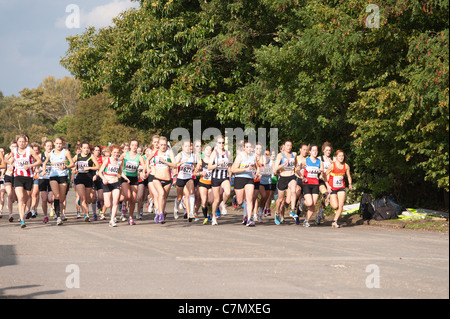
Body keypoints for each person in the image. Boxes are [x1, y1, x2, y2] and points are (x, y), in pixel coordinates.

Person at [11, 135, 42, 228]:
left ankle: (23, 214)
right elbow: (9, 160)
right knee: (20, 198)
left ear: (26, 142)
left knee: (25, 199)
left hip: (28, 177)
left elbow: (39, 161)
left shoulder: (30, 150)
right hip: (18, 176)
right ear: (17, 142)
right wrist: (10, 164)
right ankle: (22, 220)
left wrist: (30, 165)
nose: (21, 143)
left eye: (23, 141)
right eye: (19, 141)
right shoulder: (14, 151)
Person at [42, 136, 75, 226]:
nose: (58, 145)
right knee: (56, 195)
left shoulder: (66, 152)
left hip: (63, 176)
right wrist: (44, 170)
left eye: (60, 143)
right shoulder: (50, 153)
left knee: (61, 198)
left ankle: (59, 212)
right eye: (57, 143)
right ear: (54, 144)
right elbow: (44, 163)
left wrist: (65, 167)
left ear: (63, 144)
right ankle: (58, 217)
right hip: (53, 176)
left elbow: (72, 163)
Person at [231, 140, 259, 227]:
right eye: (247, 147)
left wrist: (257, 173)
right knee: (240, 201)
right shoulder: (240, 156)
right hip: (239, 178)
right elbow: (233, 169)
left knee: (249, 199)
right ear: (244, 148)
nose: (249, 148)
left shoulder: (253, 156)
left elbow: (256, 166)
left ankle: (249, 219)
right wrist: (245, 169)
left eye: (250, 147)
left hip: (249, 179)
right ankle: (235, 197)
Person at [98, 144, 126, 227]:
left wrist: (126, 178)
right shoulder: (107, 160)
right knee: (108, 204)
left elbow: (120, 172)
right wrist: (103, 178)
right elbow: (100, 172)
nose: (116, 154)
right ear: (111, 152)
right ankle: (109, 213)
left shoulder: (119, 161)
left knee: (115, 202)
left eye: (117, 152)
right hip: (107, 183)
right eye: (114, 152)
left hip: (116, 182)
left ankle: (112, 219)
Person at [119, 139, 146, 225]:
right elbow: (117, 161)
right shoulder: (125, 154)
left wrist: (142, 172)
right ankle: (124, 204)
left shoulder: (139, 157)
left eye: (136, 145)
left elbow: (144, 166)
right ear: (130, 146)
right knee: (128, 195)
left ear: (137, 147)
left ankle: (130, 217)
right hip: (125, 177)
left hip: (134, 178)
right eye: (132, 145)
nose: (134, 147)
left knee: (134, 200)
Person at [151, 136, 176, 224]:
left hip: (167, 179)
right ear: (158, 145)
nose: (163, 146)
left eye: (165, 145)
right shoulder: (155, 152)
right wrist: (147, 168)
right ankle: (161, 213)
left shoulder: (169, 152)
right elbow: (147, 160)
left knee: (164, 198)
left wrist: (165, 162)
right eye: (161, 145)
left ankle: (159, 213)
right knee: (160, 194)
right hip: (157, 178)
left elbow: (174, 165)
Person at [73, 142, 100, 222]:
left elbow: (98, 166)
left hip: (88, 178)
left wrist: (89, 167)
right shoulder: (77, 156)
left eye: (87, 148)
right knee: (83, 198)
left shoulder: (91, 156)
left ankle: (82, 203)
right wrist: (73, 169)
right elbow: (71, 163)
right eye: (84, 148)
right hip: (79, 178)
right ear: (81, 148)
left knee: (88, 200)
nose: (86, 149)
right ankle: (86, 215)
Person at [325, 150, 353, 228]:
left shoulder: (346, 166)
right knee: (335, 206)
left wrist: (350, 184)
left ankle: (335, 221)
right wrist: (327, 185)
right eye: (339, 156)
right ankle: (327, 198)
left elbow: (348, 176)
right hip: (332, 188)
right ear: (336, 157)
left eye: (342, 156)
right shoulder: (332, 166)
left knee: (341, 205)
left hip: (341, 187)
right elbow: (324, 176)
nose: (341, 157)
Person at [273, 140, 298, 225]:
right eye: (287, 145)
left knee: (293, 190)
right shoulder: (280, 155)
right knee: (280, 199)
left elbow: (296, 165)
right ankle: (277, 213)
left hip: (291, 176)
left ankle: (292, 210)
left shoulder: (294, 154)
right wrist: (284, 164)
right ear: (284, 146)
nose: (289, 147)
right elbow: (276, 168)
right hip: (283, 177)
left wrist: (298, 169)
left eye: (290, 145)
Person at [208, 135, 231, 223]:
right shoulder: (214, 153)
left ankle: (223, 203)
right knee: (216, 200)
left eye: (223, 142)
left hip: (224, 176)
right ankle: (213, 216)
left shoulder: (227, 153)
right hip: (215, 177)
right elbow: (209, 167)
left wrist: (230, 172)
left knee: (228, 192)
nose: (221, 144)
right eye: (219, 143)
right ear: (216, 143)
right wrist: (217, 164)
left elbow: (229, 165)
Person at [299, 145, 324, 227]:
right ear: (310, 152)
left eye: (316, 151)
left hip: (315, 184)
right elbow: (297, 170)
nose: (315, 152)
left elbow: (322, 172)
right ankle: (303, 201)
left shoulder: (319, 162)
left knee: (313, 205)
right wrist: (302, 177)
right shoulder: (305, 160)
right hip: (307, 184)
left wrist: (321, 174)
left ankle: (306, 220)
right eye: (313, 150)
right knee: (309, 203)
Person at [174, 139, 197, 222]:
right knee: (179, 197)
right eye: (185, 146)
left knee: (191, 192)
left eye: (189, 146)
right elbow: (174, 165)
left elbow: (195, 166)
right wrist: (181, 162)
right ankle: (176, 207)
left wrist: (196, 169)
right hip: (180, 177)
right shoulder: (180, 155)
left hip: (189, 177)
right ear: (182, 147)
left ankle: (191, 212)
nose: (187, 148)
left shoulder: (193, 156)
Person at [316, 142, 335, 224]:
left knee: (326, 198)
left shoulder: (333, 159)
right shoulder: (320, 158)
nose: (328, 152)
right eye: (326, 150)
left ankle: (320, 213)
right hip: (321, 180)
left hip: (330, 181)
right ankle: (320, 214)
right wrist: (320, 173)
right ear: (323, 150)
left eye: (329, 150)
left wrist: (333, 164)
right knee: (325, 194)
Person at [37, 140, 54, 224]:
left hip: (52, 178)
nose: (49, 147)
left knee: (51, 199)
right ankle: (45, 216)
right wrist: (39, 170)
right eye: (48, 146)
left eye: (51, 146)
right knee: (44, 199)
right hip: (43, 178)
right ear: (44, 146)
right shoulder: (40, 155)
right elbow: (36, 168)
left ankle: (51, 205)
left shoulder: (54, 155)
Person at [196, 144, 213, 225]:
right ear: (204, 151)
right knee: (204, 201)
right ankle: (206, 217)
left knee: (210, 201)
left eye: (210, 150)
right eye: (207, 150)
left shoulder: (214, 161)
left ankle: (210, 213)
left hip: (212, 183)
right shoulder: (201, 161)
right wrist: (201, 172)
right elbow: (194, 173)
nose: (208, 152)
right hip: (203, 182)